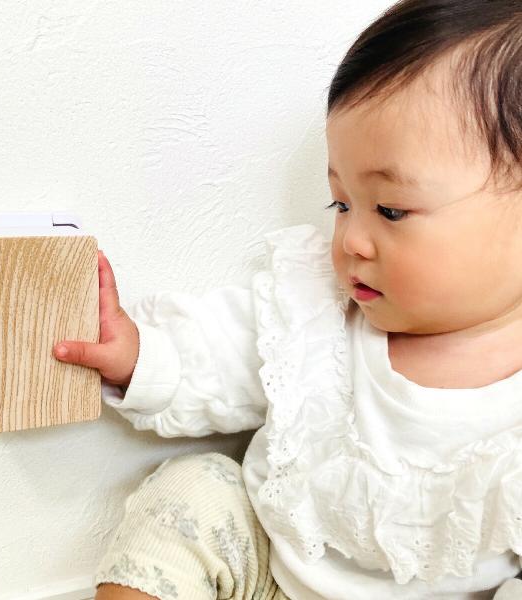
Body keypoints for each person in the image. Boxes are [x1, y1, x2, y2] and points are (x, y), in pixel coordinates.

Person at [53, 1, 522, 598]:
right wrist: (136, 354)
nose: (351, 241)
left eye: (391, 210)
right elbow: (222, 351)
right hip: (271, 581)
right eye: (341, 204)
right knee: (196, 487)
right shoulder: (318, 312)